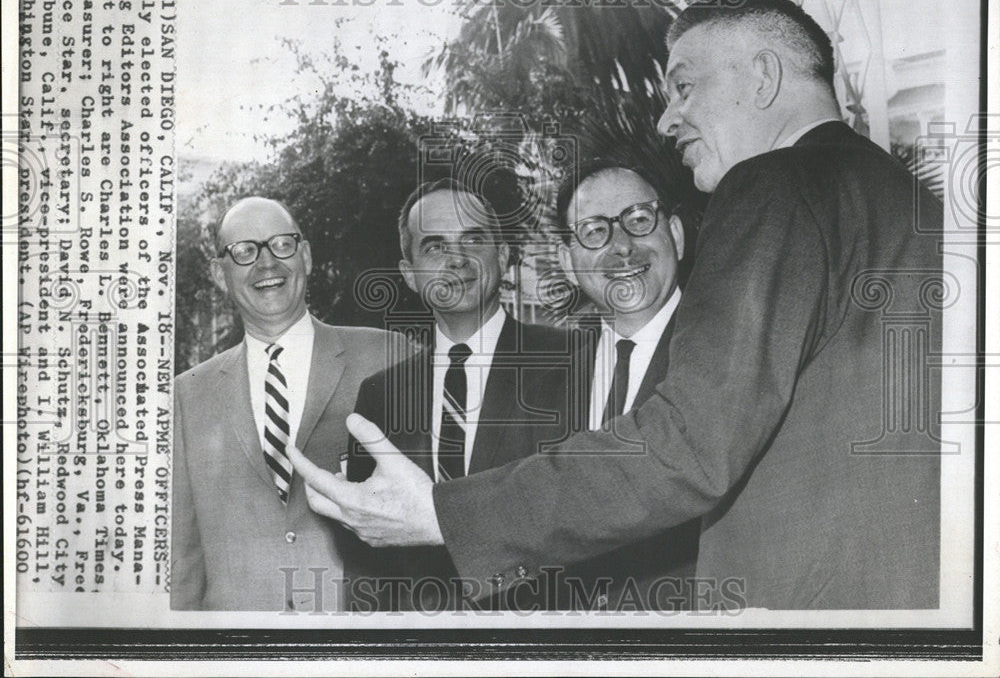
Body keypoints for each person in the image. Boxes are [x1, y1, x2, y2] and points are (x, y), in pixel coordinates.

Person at [291, 0, 944, 610]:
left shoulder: (769, 184)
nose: (667, 118)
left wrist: (442, 512)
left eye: (685, 86)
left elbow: (687, 445)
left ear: (765, 77)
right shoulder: (914, 203)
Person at [333, 178, 572, 611]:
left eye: (473, 239)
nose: (456, 259)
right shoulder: (381, 396)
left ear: (502, 256)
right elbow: (367, 560)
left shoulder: (573, 362)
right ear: (409, 275)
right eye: (434, 246)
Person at [170, 196, 408, 611]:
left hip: (359, 638)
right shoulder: (186, 395)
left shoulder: (389, 357)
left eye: (281, 244)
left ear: (307, 256)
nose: (267, 264)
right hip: (234, 651)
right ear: (219, 276)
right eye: (244, 252)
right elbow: (183, 557)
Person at [543, 163, 699, 610]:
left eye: (638, 220)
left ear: (676, 235)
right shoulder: (545, 378)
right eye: (594, 231)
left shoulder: (729, 354)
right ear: (568, 262)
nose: (622, 248)